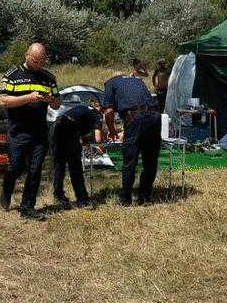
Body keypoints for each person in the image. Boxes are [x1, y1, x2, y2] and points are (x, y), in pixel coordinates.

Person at [0, 42, 60, 222]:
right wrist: (29, 98)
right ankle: (6, 190)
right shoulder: (12, 75)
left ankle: (28, 206)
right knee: (15, 166)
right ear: (26, 55)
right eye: (34, 60)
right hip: (18, 130)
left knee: (35, 169)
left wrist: (50, 100)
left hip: (40, 130)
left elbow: (57, 104)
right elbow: (3, 101)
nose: (37, 64)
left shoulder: (48, 78)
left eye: (41, 62)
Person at [102, 72, 161, 206]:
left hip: (136, 119)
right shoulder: (138, 81)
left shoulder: (111, 83)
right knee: (150, 160)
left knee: (130, 159)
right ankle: (145, 197)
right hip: (155, 117)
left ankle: (125, 198)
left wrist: (111, 131)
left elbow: (108, 111)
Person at [49, 101, 103, 208]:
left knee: (59, 165)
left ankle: (58, 195)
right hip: (68, 131)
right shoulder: (96, 114)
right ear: (99, 108)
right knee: (75, 167)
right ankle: (82, 199)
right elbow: (98, 138)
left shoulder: (81, 109)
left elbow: (79, 132)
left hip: (54, 129)